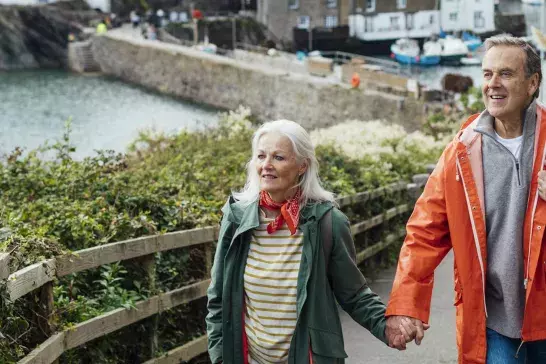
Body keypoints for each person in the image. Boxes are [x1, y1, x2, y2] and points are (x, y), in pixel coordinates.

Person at [385, 34, 546, 363]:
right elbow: (425, 231)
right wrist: (406, 305)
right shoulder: (462, 150)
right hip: (494, 318)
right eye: (487, 74)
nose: (493, 84)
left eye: (505, 74)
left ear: (532, 83)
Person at [206, 120, 422, 364]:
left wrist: (387, 326)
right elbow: (217, 298)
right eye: (261, 156)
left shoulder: (327, 222)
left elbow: (354, 293)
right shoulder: (236, 219)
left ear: (302, 166)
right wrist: (219, 356)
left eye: (278, 157)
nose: (266, 165)